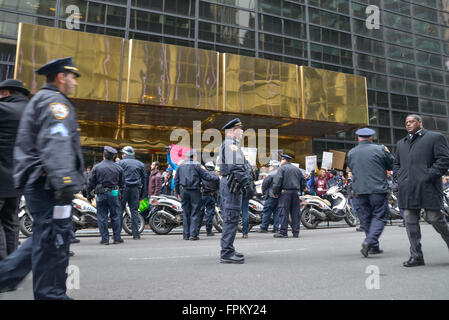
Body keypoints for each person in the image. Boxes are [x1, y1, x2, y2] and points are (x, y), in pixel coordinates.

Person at [0, 57, 84, 299]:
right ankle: (51, 295)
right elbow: (56, 142)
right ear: (61, 77)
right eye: (72, 77)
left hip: (42, 182)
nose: (74, 83)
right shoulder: (55, 102)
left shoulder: (41, 100)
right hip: (50, 184)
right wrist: (65, 182)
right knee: (53, 241)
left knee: (47, 236)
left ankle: (7, 275)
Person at [393, 114, 449, 267]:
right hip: (407, 189)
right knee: (410, 222)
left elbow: (444, 159)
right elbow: (396, 164)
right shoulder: (401, 143)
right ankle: (416, 256)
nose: (408, 124)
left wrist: (427, 175)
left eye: (411, 121)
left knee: (435, 219)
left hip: (428, 187)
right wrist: (398, 178)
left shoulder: (435, 137)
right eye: (406, 122)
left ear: (420, 122)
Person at [347, 127, 394, 258]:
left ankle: (373, 247)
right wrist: (388, 153)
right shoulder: (380, 149)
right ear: (371, 138)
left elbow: (352, 168)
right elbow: (392, 165)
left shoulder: (351, 152)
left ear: (358, 138)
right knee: (379, 216)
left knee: (365, 218)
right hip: (377, 190)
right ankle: (369, 242)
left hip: (359, 191)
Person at [0, 80, 29, 260]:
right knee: (11, 221)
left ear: (6, 92)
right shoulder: (32, 112)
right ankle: (11, 268)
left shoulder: (2, 109)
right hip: (18, 178)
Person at [218, 118, 253, 264]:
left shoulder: (230, 144)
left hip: (231, 184)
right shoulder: (231, 145)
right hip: (232, 184)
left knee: (231, 217)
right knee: (231, 217)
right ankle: (226, 253)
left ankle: (229, 249)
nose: (242, 132)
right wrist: (247, 184)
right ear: (233, 130)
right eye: (240, 129)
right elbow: (236, 167)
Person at [175, 149, 218, 241]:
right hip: (194, 191)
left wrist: (178, 192)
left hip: (183, 191)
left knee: (186, 213)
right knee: (195, 212)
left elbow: (176, 181)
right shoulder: (197, 165)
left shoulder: (180, 166)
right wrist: (216, 176)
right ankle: (193, 235)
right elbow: (207, 176)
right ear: (194, 156)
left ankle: (186, 235)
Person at [88, 146, 125, 245]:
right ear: (113, 157)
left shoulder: (97, 167)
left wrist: (88, 195)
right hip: (114, 193)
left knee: (102, 216)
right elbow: (122, 184)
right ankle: (117, 238)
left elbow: (90, 182)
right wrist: (119, 193)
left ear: (103, 155)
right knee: (116, 215)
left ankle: (105, 239)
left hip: (101, 194)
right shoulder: (118, 167)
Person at [272, 153, 306, 238]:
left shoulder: (282, 168)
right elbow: (303, 181)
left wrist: (275, 193)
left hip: (285, 193)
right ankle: (296, 232)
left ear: (284, 160)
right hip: (295, 193)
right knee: (295, 213)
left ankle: (283, 232)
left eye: (281, 160)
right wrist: (301, 191)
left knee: (283, 212)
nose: (280, 161)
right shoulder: (297, 169)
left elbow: (277, 182)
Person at [117, 146, 146, 240]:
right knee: (134, 211)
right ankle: (136, 234)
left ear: (125, 154)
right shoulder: (140, 164)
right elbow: (144, 179)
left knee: (119, 211)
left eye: (122, 153)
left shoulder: (120, 163)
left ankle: (117, 234)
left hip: (123, 189)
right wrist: (143, 193)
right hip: (135, 190)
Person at [197, 161, 220, 237]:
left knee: (200, 213)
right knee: (210, 214)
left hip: (202, 196)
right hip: (211, 196)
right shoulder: (216, 176)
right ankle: (209, 231)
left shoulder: (202, 175)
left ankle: (196, 231)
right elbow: (218, 187)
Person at [258, 160, 280, 233]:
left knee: (267, 212)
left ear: (273, 166)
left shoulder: (271, 174)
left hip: (271, 196)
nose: (269, 167)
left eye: (270, 166)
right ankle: (276, 228)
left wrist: (264, 192)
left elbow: (265, 184)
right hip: (279, 196)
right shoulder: (281, 173)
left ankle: (264, 227)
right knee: (277, 213)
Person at [241, 159, 256, 239]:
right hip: (247, 190)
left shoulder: (237, 165)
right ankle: (245, 233)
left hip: (238, 190)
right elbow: (254, 177)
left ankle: (231, 232)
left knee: (234, 211)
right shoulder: (249, 166)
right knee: (245, 211)